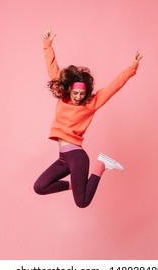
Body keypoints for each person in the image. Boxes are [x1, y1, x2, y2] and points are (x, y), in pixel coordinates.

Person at [34, 27, 142, 208]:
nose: (78, 97)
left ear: (86, 93)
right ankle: (75, 186)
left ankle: (101, 164)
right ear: (69, 89)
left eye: (81, 94)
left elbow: (113, 87)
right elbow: (53, 71)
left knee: (82, 202)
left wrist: (131, 69)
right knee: (40, 187)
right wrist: (47, 45)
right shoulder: (64, 97)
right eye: (75, 93)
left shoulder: (91, 104)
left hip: (76, 156)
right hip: (63, 159)